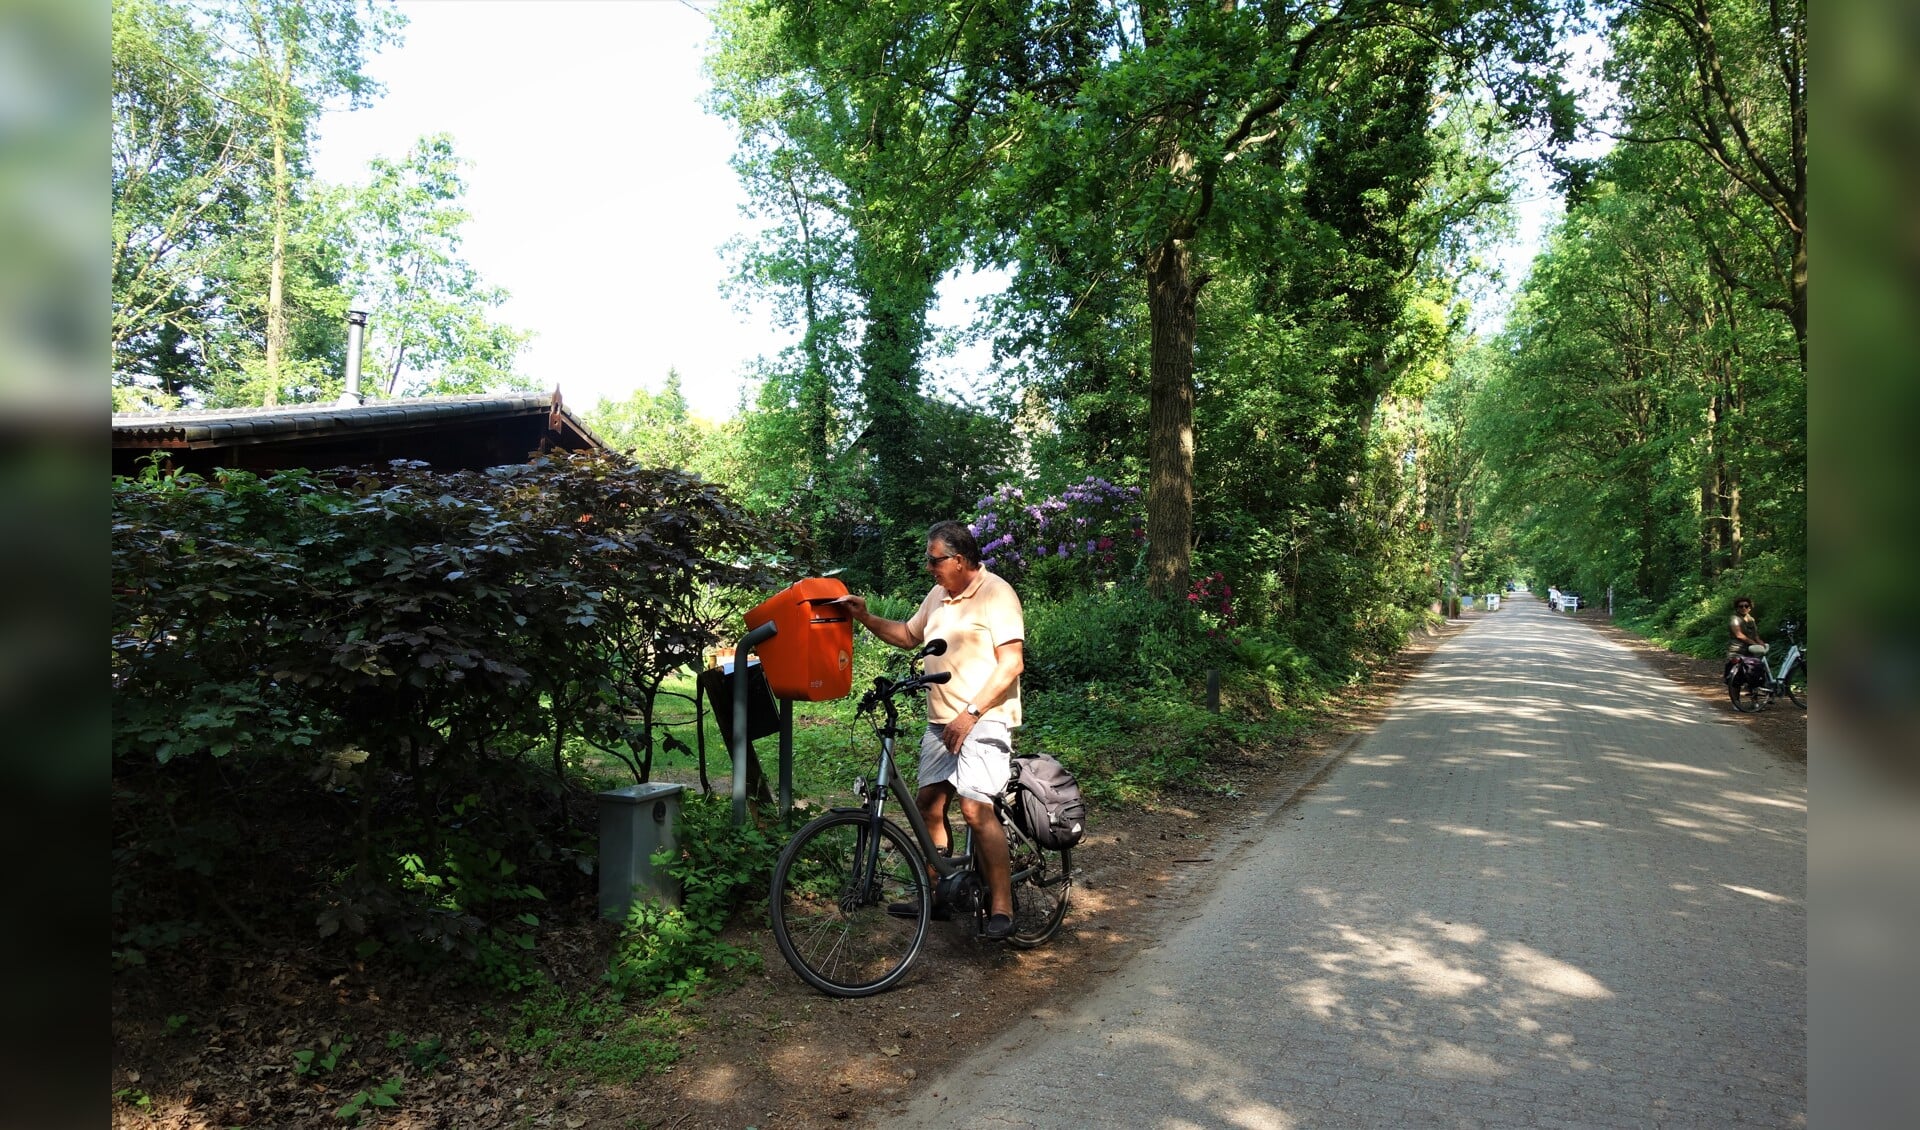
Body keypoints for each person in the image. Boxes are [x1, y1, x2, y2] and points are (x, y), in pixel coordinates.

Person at [830, 521, 1026, 941]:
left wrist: (970, 713)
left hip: (984, 718)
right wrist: (864, 616)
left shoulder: (997, 593)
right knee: (928, 805)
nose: (928, 567)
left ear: (959, 559)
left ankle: (1002, 907)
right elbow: (907, 635)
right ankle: (939, 895)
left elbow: (1011, 664)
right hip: (941, 723)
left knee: (975, 810)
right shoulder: (938, 594)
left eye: (934, 559)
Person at [1726, 596, 1766, 678]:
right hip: (1737, 650)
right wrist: (1754, 643)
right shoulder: (1734, 619)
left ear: (1750, 608)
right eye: (1741, 606)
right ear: (1737, 608)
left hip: (1750, 651)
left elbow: (1755, 635)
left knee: (1754, 673)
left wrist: (1760, 643)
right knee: (1736, 678)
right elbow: (1739, 635)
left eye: (1746, 606)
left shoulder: (1751, 619)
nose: (1744, 608)